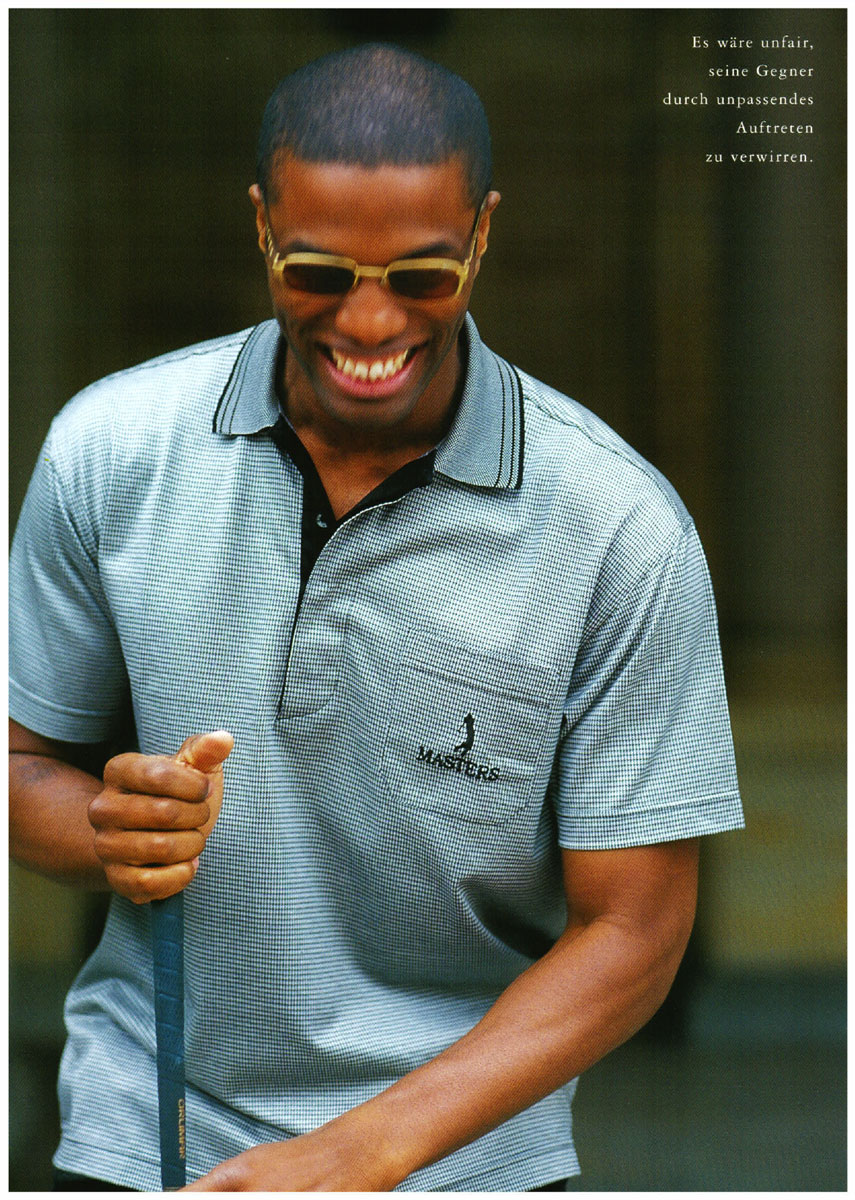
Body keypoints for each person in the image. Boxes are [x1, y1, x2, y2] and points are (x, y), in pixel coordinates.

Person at [9, 43, 744, 1193]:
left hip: (463, 1166)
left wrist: (359, 1154)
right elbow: (19, 767)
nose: (366, 321)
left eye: (421, 276)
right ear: (262, 227)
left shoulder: (619, 530)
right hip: (141, 1145)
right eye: (317, 271)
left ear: (482, 236)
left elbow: (636, 934)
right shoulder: (109, 449)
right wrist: (104, 828)